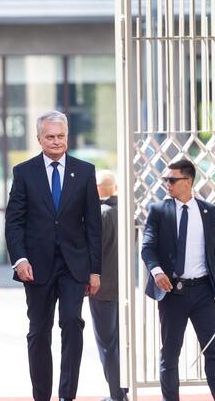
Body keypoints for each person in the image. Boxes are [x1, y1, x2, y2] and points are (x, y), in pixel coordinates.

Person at [5, 110, 102, 401]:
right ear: (39, 139)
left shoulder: (85, 171)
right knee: (38, 332)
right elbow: (14, 221)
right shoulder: (23, 172)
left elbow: (93, 225)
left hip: (74, 265)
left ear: (67, 137)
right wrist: (20, 259)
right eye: (50, 136)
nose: (56, 141)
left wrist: (95, 270)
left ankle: (66, 396)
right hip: (36, 266)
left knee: (72, 322)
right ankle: (42, 397)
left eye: (61, 136)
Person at [141, 158, 215, 401]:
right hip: (172, 292)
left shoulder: (208, 211)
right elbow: (147, 247)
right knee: (170, 353)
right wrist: (157, 272)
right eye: (166, 179)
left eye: (172, 180)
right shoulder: (157, 211)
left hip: (204, 292)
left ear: (188, 181)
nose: (167, 183)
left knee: (212, 351)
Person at [89, 169, 127, 401]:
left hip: (101, 288)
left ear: (96, 189)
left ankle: (116, 394)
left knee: (107, 345)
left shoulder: (99, 215)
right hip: (122, 287)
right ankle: (122, 390)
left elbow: (93, 253)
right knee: (120, 344)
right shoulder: (123, 214)